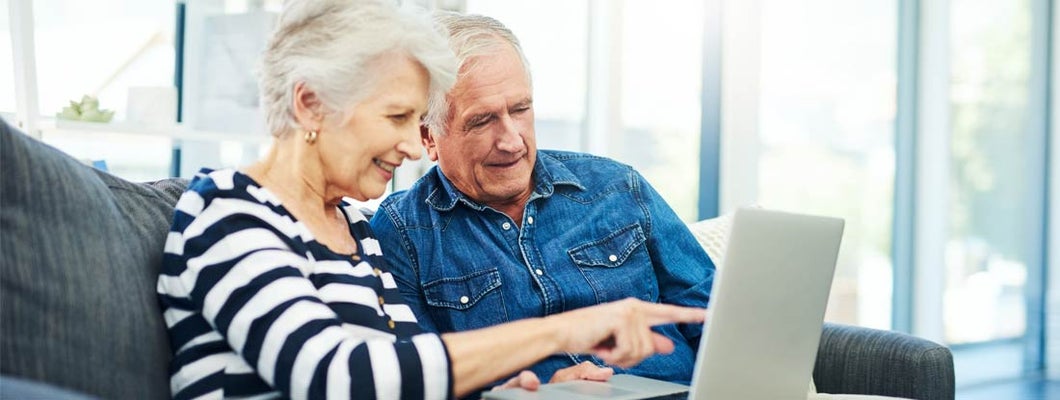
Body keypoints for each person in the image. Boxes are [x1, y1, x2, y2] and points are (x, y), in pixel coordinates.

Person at [155, 1, 706, 399]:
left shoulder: (352, 231)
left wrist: (518, 387)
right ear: (310, 105)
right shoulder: (227, 213)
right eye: (397, 117)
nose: (408, 145)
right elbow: (337, 376)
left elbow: (417, 372)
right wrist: (565, 330)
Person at [369, 11, 716, 389]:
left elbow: (714, 317)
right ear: (428, 137)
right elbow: (419, 379)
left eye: (520, 109)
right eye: (482, 121)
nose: (513, 141)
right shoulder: (402, 233)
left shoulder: (617, 186)